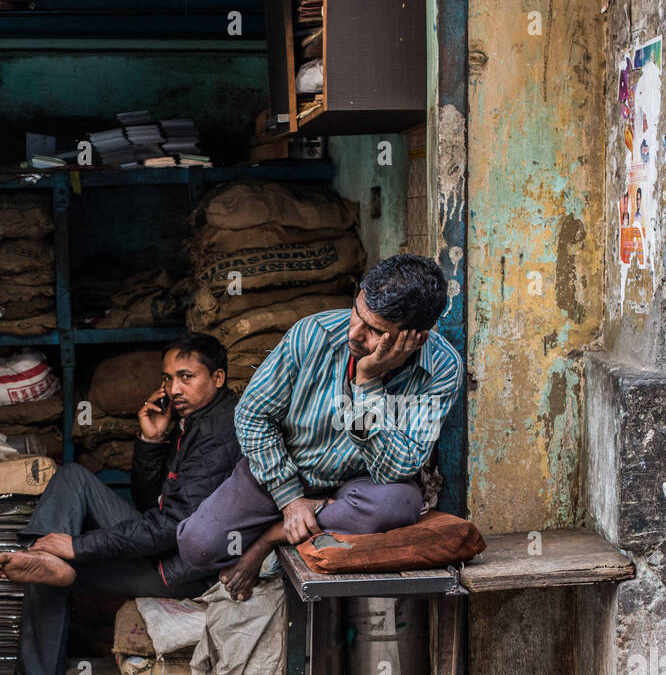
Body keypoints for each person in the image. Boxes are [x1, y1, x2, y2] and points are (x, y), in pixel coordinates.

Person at [0, 333, 241, 675]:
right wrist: (152, 441)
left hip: (181, 568)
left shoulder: (220, 431)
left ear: (218, 378)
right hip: (164, 546)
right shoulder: (192, 421)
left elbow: (172, 525)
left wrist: (78, 547)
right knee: (74, 479)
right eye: (168, 378)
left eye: (187, 377)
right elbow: (150, 502)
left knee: (50, 569)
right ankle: (43, 558)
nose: (174, 389)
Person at [176, 253, 463, 601]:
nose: (354, 334)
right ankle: (301, 517)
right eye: (358, 313)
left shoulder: (442, 368)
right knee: (198, 547)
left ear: (414, 338)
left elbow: (396, 469)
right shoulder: (312, 334)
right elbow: (253, 415)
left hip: (360, 487)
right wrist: (291, 498)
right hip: (283, 467)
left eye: (375, 331)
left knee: (398, 503)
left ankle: (274, 536)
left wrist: (367, 384)